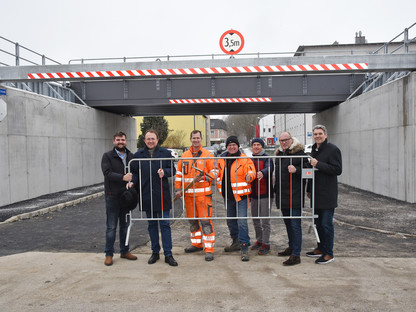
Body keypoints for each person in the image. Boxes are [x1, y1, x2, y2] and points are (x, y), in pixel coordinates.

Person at [129, 129, 178, 266]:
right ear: (144, 140)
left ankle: (168, 254)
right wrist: (132, 181)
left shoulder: (166, 153)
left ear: (157, 140)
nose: (150, 141)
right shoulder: (138, 155)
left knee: (165, 225)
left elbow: (173, 170)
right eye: (148, 139)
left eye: (153, 139)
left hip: (162, 195)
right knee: (151, 225)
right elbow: (134, 173)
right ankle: (155, 252)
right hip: (147, 195)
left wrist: (165, 172)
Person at [174, 130, 217, 261]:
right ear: (190, 139)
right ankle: (196, 244)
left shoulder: (208, 155)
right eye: (194, 138)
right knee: (193, 222)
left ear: (201, 139)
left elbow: (214, 172)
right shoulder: (184, 156)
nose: (196, 140)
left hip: (203, 196)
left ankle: (209, 249)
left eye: (198, 138)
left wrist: (204, 176)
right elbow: (179, 174)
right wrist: (177, 189)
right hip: (188, 196)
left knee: (205, 223)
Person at [306, 125, 342, 264]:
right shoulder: (314, 150)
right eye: (315, 134)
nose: (318, 136)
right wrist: (309, 189)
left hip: (328, 194)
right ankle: (320, 248)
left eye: (320, 134)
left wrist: (318, 164)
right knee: (318, 224)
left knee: (326, 224)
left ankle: (329, 253)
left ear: (325, 135)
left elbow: (337, 169)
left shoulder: (333, 149)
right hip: (316, 194)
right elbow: (312, 172)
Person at [101, 131, 138, 266]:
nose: (120, 142)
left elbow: (135, 173)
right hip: (112, 196)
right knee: (111, 227)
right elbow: (107, 173)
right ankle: (109, 254)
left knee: (125, 225)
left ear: (126, 141)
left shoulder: (131, 156)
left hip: (126, 197)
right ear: (113, 141)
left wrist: (133, 181)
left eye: (122, 140)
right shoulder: (107, 156)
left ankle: (124, 251)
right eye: (118, 140)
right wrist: (122, 177)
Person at [217, 136, 256, 261]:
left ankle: (244, 246)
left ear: (238, 146)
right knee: (230, 221)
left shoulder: (244, 159)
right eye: (229, 145)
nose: (232, 147)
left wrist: (250, 176)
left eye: (234, 145)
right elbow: (216, 172)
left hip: (241, 197)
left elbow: (251, 171)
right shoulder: (222, 159)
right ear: (227, 147)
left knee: (242, 222)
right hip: (228, 197)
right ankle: (236, 242)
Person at [274, 132, 307, 266]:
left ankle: (296, 255)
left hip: (295, 195)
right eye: (281, 141)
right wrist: (276, 190)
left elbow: (309, 171)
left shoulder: (300, 154)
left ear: (291, 140)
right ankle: (291, 247)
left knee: (295, 225)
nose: (283, 142)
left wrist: (297, 170)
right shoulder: (279, 155)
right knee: (288, 223)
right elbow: (277, 175)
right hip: (283, 195)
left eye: (286, 140)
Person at [249, 138, 274, 255]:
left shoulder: (267, 157)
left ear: (262, 146)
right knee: (255, 220)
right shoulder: (250, 159)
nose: (256, 147)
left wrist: (262, 172)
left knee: (265, 221)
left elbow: (269, 168)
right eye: (254, 145)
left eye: (258, 144)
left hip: (265, 194)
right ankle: (259, 240)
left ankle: (266, 243)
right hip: (254, 194)